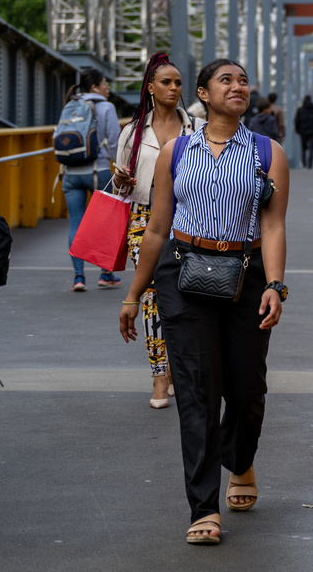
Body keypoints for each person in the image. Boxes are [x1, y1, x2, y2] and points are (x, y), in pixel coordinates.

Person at [118, 58, 289, 546]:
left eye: (243, 80)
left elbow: (274, 224)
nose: (238, 86)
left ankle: (241, 460)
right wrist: (134, 294)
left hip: (246, 277)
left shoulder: (267, 152)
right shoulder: (177, 151)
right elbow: (156, 227)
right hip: (184, 272)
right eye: (226, 80)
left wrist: (275, 285)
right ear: (203, 94)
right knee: (195, 392)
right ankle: (203, 506)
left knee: (247, 388)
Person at [111, 52, 198, 410]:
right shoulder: (133, 132)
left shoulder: (195, 129)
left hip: (187, 219)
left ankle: (178, 369)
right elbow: (120, 185)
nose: (174, 88)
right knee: (150, 294)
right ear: (150, 87)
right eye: (166, 82)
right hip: (143, 221)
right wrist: (120, 178)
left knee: (184, 294)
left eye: (178, 82)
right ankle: (159, 376)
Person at [61, 67, 123, 292]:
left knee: (75, 223)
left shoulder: (70, 105)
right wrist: (122, 167)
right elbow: (115, 141)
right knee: (104, 224)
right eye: (105, 83)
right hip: (99, 171)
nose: (108, 88)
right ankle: (105, 273)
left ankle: (79, 277)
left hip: (71, 173)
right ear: (95, 86)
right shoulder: (107, 107)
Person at [292, 95, 313, 169]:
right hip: (312, 132)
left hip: (303, 131)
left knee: (303, 149)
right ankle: (310, 165)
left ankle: (304, 164)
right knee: (311, 149)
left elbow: (297, 121)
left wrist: (298, 130)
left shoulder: (300, 110)